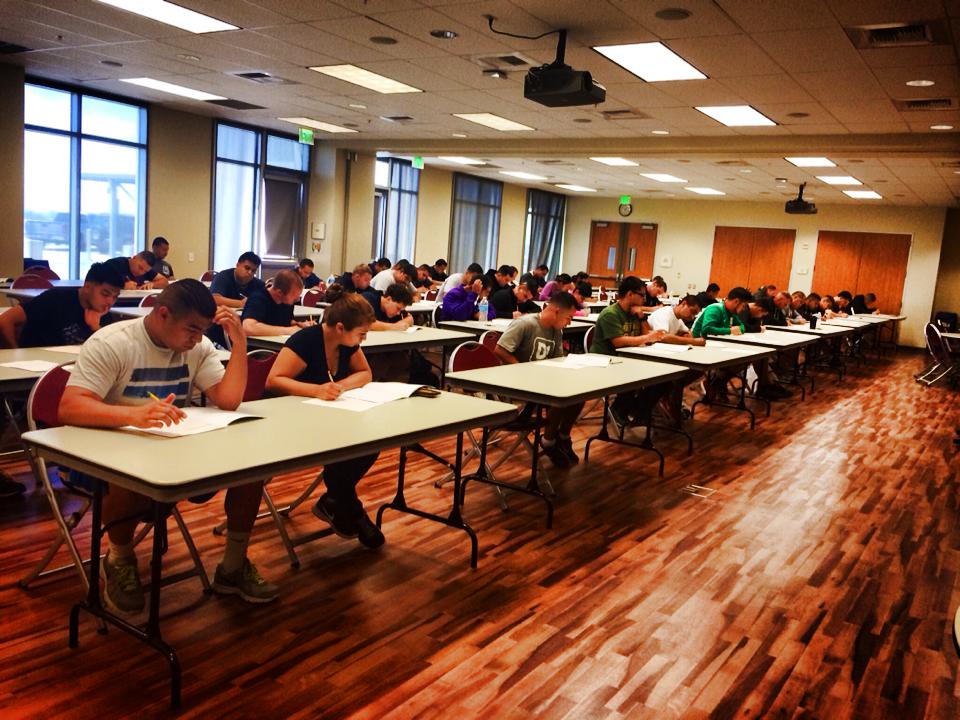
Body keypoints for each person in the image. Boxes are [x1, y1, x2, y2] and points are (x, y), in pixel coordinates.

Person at [59, 280, 277, 610]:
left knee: (250, 467)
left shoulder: (198, 347)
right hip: (108, 450)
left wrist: (240, 342)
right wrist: (131, 415)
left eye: (202, 330)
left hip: (172, 447)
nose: (197, 338)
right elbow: (70, 407)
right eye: (191, 329)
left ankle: (233, 567)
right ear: (163, 314)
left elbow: (229, 400)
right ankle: (119, 558)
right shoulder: (114, 343)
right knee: (124, 468)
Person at [265, 293, 384, 548]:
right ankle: (349, 508)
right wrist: (317, 390)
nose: (363, 340)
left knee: (371, 443)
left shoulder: (347, 344)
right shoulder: (306, 340)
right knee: (349, 449)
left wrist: (338, 386)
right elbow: (273, 381)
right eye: (361, 334)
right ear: (340, 327)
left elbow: (365, 373)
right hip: (290, 419)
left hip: (328, 417)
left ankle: (336, 500)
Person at [494, 292, 583, 467]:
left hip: (542, 381)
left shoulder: (556, 330)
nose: (570, 322)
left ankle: (563, 437)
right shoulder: (525, 324)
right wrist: (522, 368)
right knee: (560, 399)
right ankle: (548, 441)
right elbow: (500, 350)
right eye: (568, 317)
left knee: (578, 396)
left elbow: (557, 358)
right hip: (517, 383)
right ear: (556, 311)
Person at [589, 276, 668, 428]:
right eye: (641, 295)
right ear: (630, 294)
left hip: (626, 359)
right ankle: (622, 409)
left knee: (663, 378)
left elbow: (647, 336)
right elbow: (618, 342)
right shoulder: (610, 314)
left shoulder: (634, 313)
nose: (644, 299)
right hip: (606, 360)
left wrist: (642, 316)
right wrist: (647, 337)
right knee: (639, 375)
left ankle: (636, 411)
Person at [0, 262, 124, 348]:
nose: (110, 302)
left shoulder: (103, 313)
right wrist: (15, 351)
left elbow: (111, 351)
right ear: (87, 287)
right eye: (105, 294)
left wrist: (95, 327)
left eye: (115, 297)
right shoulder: (55, 299)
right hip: (37, 366)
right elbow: (5, 320)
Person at [240, 269, 309, 338]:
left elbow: (285, 321)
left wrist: (299, 325)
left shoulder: (286, 303)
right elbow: (248, 328)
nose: (298, 299)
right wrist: (288, 330)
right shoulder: (258, 299)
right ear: (279, 293)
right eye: (294, 295)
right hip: (261, 345)